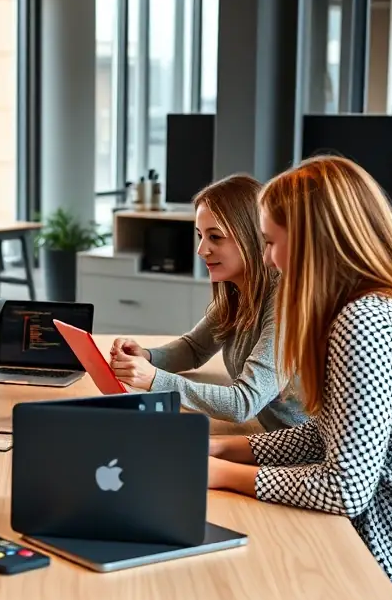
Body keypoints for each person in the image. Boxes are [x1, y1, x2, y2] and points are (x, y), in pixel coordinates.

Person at [113, 156, 392, 600]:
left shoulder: (365, 320)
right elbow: (329, 437)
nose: (271, 259)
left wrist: (219, 476)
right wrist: (229, 449)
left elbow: (346, 486)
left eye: (273, 241)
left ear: (314, 240)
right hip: (359, 580)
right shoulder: (379, 306)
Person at [109, 174, 305, 431]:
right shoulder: (236, 293)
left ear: (252, 237)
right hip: (267, 436)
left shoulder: (284, 301)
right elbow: (194, 348)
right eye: (200, 235)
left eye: (216, 237)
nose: (201, 249)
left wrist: (153, 379)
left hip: (301, 455)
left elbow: (243, 402)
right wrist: (146, 356)